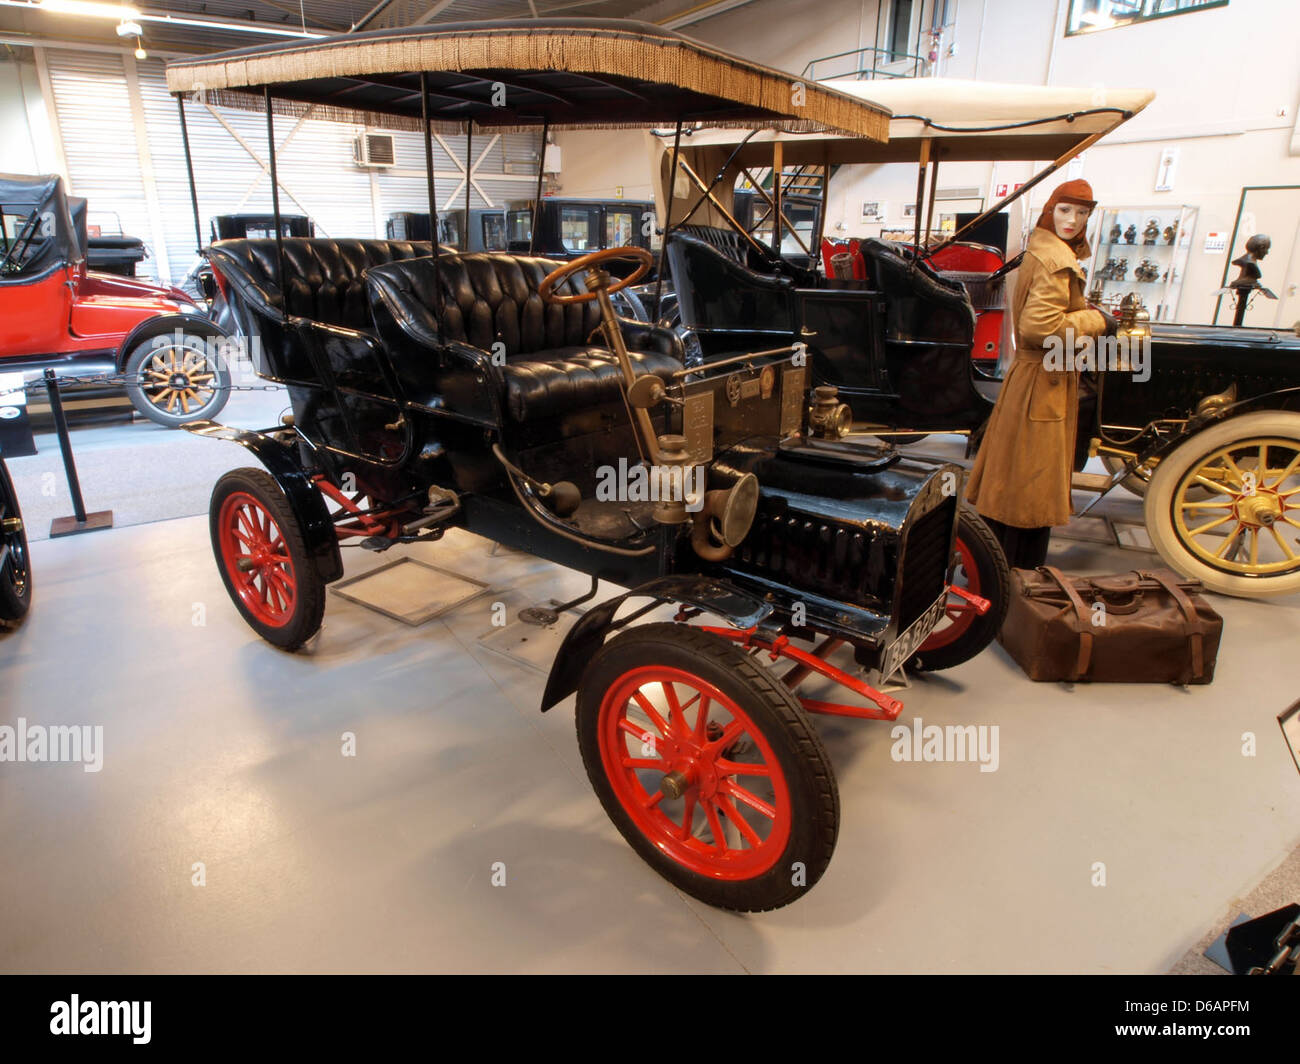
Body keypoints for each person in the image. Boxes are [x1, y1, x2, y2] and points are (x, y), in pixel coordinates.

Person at [966, 178, 1115, 569]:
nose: (1073, 220)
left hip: (1035, 378)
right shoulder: (1056, 260)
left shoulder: (1044, 250)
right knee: (1031, 488)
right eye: (1065, 210)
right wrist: (1096, 320)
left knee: (1012, 482)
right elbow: (1041, 328)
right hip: (1043, 382)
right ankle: (1015, 574)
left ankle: (993, 566)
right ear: (1051, 211)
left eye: (1081, 213)